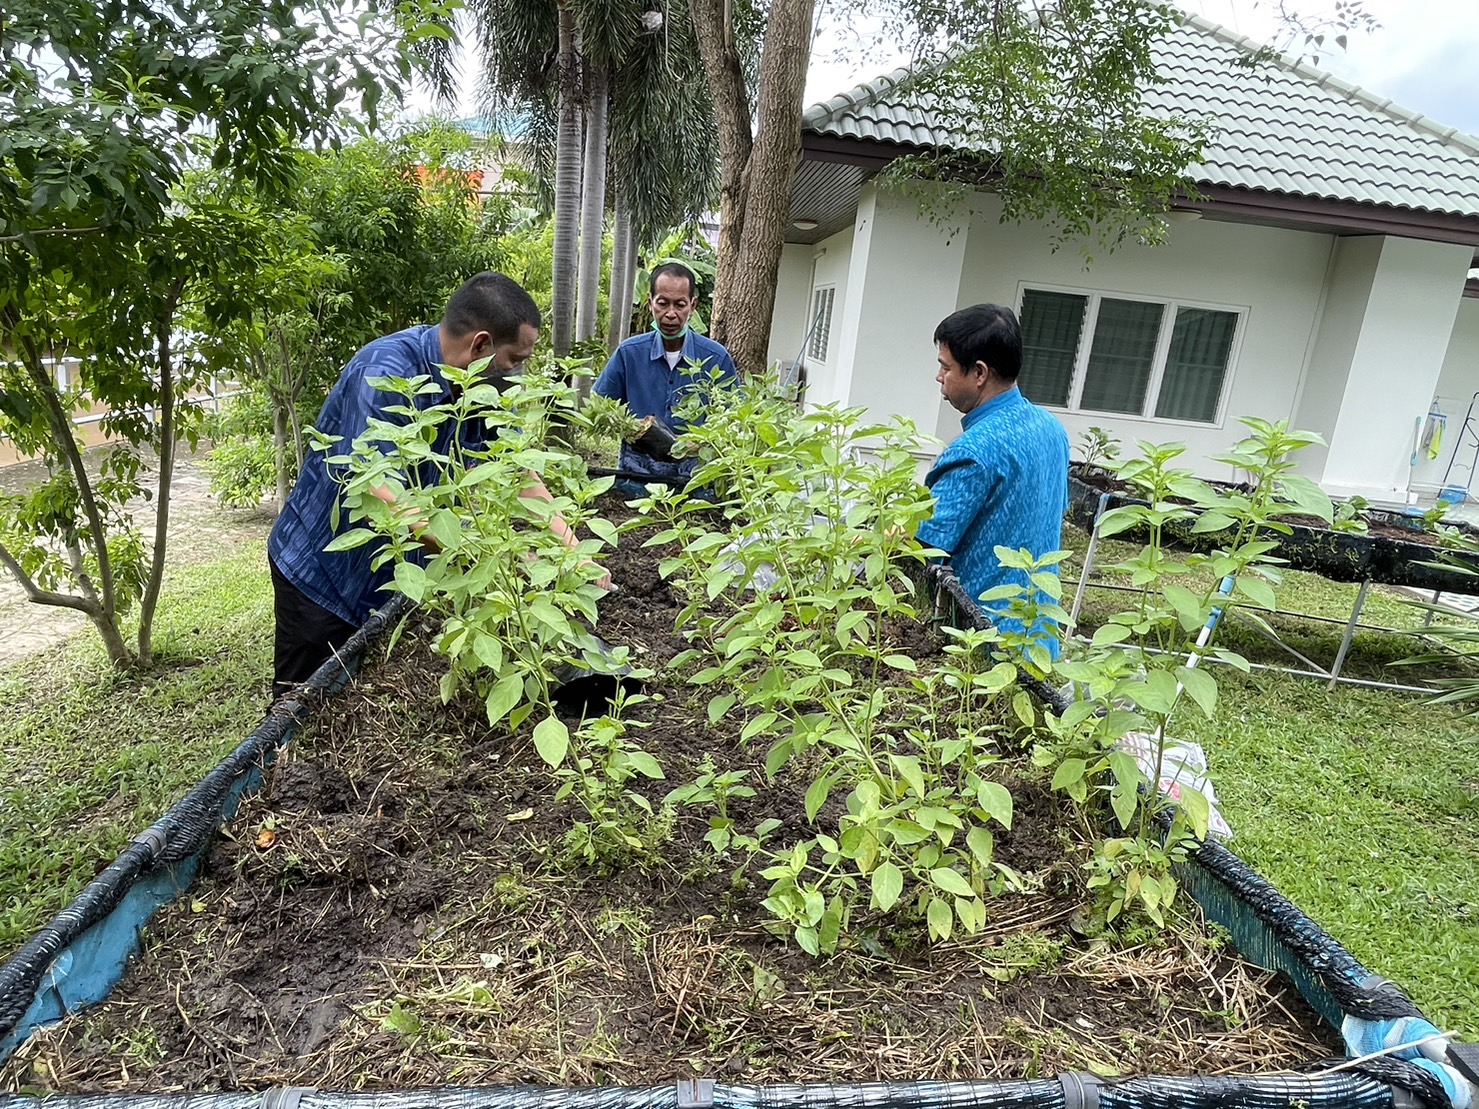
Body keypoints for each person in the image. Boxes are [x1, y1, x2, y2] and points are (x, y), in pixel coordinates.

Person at [268, 271, 599, 701]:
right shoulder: (386, 371)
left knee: (359, 706)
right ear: (480, 344)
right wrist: (490, 563)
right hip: (321, 576)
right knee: (301, 711)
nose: (517, 373)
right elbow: (381, 493)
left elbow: (517, 471)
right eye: (514, 360)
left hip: (393, 576)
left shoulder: (477, 386)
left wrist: (573, 553)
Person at [915, 303, 1070, 658]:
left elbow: (923, 549)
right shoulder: (1052, 429)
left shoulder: (974, 451)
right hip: (1039, 634)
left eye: (946, 367)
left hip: (983, 649)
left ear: (979, 373)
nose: (940, 377)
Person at [592, 261, 738, 484]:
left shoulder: (716, 358)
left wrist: (699, 442)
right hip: (636, 476)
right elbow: (599, 403)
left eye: (680, 305)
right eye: (663, 303)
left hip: (694, 481)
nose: (671, 314)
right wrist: (629, 426)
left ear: (693, 305)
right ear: (650, 303)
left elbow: (733, 418)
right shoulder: (629, 353)